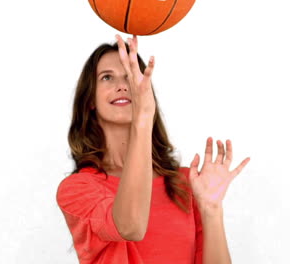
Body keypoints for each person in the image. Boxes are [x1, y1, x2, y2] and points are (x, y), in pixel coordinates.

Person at [56, 34, 250, 264]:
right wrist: (143, 117)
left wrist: (211, 209)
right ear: (90, 99)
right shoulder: (78, 189)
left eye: (130, 76)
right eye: (107, 77)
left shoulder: (184, 182)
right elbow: (130, 226)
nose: (122, 85)